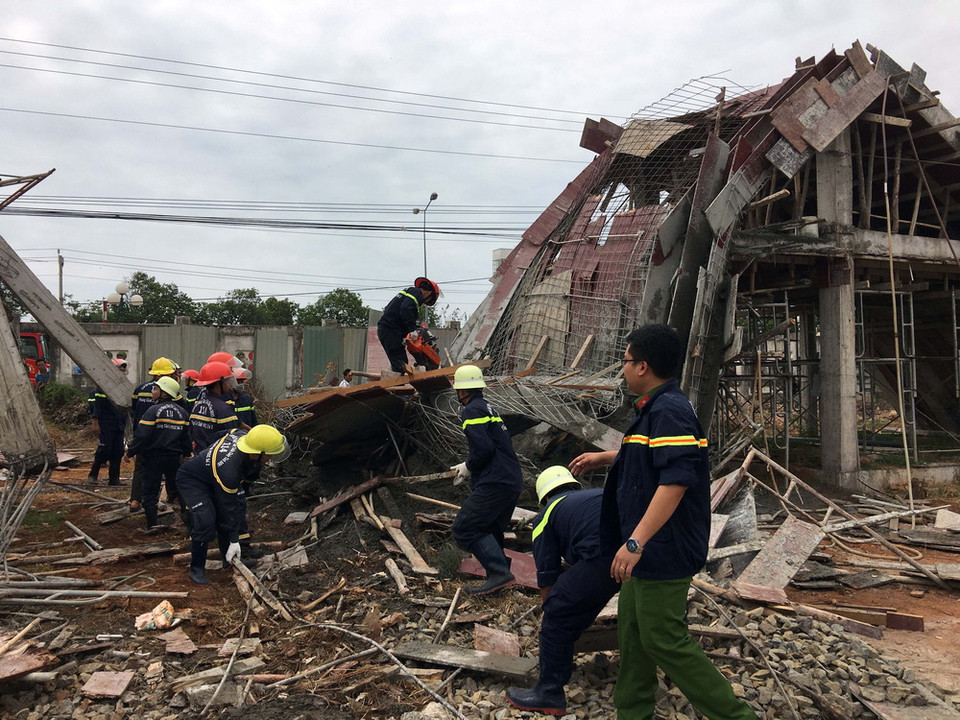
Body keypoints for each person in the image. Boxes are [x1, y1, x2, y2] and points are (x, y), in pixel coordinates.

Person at [572, 324, 755, 720]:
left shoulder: (669, 411)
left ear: (642, 366)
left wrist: (634, 543)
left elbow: (674, 482)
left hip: (662, 549)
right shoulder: (655, 408)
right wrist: (605, 458)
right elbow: (649, 460)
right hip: (649, 550)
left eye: (625, 361)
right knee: (635, 634)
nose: (621, 369)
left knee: (663, 637)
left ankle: (736, 716)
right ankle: (633, 712)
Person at [505, 466, 619, 716]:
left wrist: (551, 613)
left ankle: (548, 693)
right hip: (640, 551)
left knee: (558, 614)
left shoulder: (545, 515)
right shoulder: (596, 495)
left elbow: (547, 574)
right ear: (573, 485)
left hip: (602, 558)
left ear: (543, 498)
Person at [176, 424, 290, 585]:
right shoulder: (229, 469)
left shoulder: (243, 435)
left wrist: (208, 451)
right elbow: (227, 507)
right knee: (206, 519)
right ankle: (196, 569)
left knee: (227, 515)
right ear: (258, 452)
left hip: (214, 477)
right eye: (269, 455)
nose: (270, 459)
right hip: (193, 480)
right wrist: (234, 540)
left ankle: (227, 560)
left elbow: (223, 433)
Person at [449, 364, 522, 596]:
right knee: (490, 528)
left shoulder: (471, 411)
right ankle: (499, 581)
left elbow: (483, 449)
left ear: (462, 391)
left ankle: (499, 573)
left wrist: (469, 466)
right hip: (510, 480)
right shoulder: (488, 408)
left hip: (495, 481)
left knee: (464, 527)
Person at [125, 375, 192, 530]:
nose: (152, 392)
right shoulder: (182, 412)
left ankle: (152, 525)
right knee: (178, 489)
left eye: (155, 389)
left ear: (164, 393)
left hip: (153, 458)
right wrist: (187, 452)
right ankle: (188, 521)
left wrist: (130, 451)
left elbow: (142, 435)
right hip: (174, 458)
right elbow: (185, 438)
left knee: (150, 491)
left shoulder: (153, 410)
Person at [129, 357, 180, 511]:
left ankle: (135, 500)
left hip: (142, 436)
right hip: (162, 437)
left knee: (140, 468)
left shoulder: (139, 388)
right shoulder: (167, 390)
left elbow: (133, 408)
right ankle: (173, 497)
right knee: (171, 469)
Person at [377, 277, 440, 373]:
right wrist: (412, 330)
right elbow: (406, 310)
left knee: (399, 362)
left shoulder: (408, 294)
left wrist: (411, 330)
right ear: (429, 293)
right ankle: (397, 387)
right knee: (400, 363)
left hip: (390, 330)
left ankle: (396, 384)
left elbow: (401, 316)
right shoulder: (416, 293)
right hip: (389, 331)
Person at [86, 358, 129, 486]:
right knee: (104, 449)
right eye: (119, 368)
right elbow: (97, 407)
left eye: (123, 368)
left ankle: (114, 478)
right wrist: (96, 422)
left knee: (118, 451)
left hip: (118, 424)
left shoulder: (123, 387)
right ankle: (93, 475)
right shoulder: (103, 387)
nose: (121, 370)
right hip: (106, 424)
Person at [189, 360, 241, 452]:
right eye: (226, 381)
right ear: (218, 384)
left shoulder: (197, 405)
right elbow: (233, 437)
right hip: (215, 458)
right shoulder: (223, 409)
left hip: (199, 456)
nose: (228, 385)